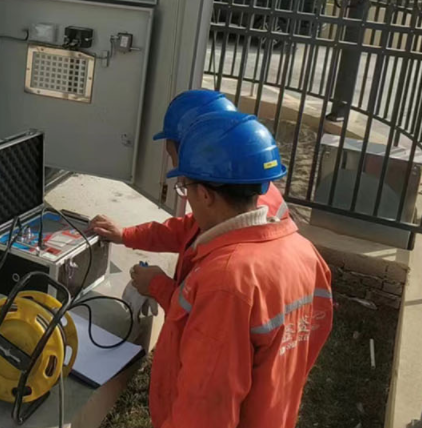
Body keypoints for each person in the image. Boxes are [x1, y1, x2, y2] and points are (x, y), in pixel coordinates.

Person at [113, 111, 333, 428]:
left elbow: (205, 427)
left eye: (187, 188)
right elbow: (301, 354)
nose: (187, 199)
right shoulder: (303, 254)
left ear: (207, 194)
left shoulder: (227, 281)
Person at [92, 90, 289, 311]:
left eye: (174, 155)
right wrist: (126, 235)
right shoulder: (242, 196)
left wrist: (158, 286)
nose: (175, 167)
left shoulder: (231, 262)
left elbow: (202, 314)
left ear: (200, 148)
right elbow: (186, 230)